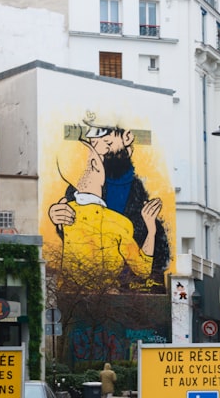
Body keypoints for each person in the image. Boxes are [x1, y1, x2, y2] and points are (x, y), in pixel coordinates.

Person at [48, 115, 170, 289]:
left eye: (107, 142)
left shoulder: (141, 187)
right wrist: (56, 216)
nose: (101, 150)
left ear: (126, 138)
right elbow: (69, 224)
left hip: (132, 286)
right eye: (94, 144)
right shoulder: (81, 187)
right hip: (96, 288)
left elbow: (151, 257)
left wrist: (151, 231)